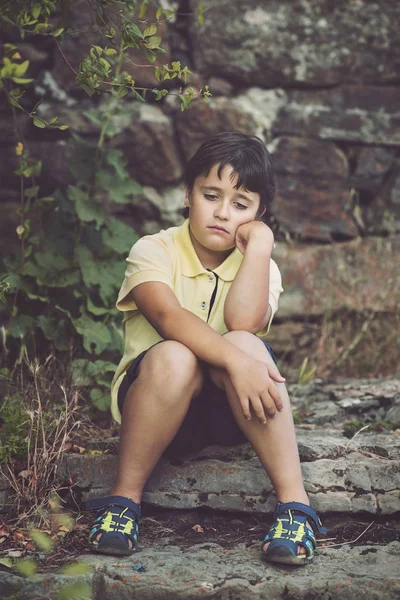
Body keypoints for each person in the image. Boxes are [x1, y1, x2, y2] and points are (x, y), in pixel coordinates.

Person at [85, 132, 326, 566]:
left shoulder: (261, 265)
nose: (221, 212)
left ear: (259, 213)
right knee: (178, 353)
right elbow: (168, 319)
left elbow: (243, 323)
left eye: (240, 204)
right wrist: (238, 359)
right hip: (156, 403)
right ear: (188, 194)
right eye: (210, 195)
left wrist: (261, 247)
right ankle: (122, 502)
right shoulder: (154, 249)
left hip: (231, 412)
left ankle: (296, 507)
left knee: (243, 339)